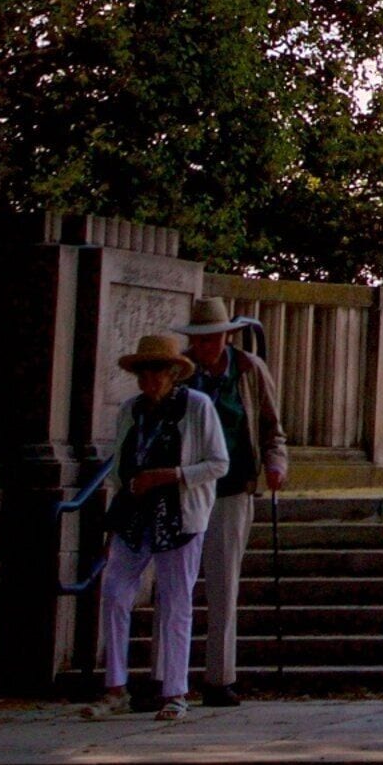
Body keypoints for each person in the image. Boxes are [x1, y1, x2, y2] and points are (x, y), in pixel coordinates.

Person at [85, 332, 227, 719]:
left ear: (173, 374)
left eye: (158, 371)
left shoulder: (196, 407)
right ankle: (115, 687)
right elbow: (118, 466)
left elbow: (218, 463)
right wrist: (129, 488)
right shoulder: (132, 410)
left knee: (175, 600)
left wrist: (172, 475)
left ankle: (175, 692)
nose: (150, 379)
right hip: (135, 514)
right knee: (114, 591)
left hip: (179, 515)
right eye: (144, 372)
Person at [182, 298, 289, 708]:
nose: (206, 345)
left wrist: (276, 464)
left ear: (226, 334)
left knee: (224, 583)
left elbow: (271, 428)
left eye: (213, 337)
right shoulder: (181, 372)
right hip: (186, 488)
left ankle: (219, 677)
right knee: (177, 585)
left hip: (232, 487)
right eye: (199, 338)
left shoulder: (248, 369)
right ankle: (166, 677)